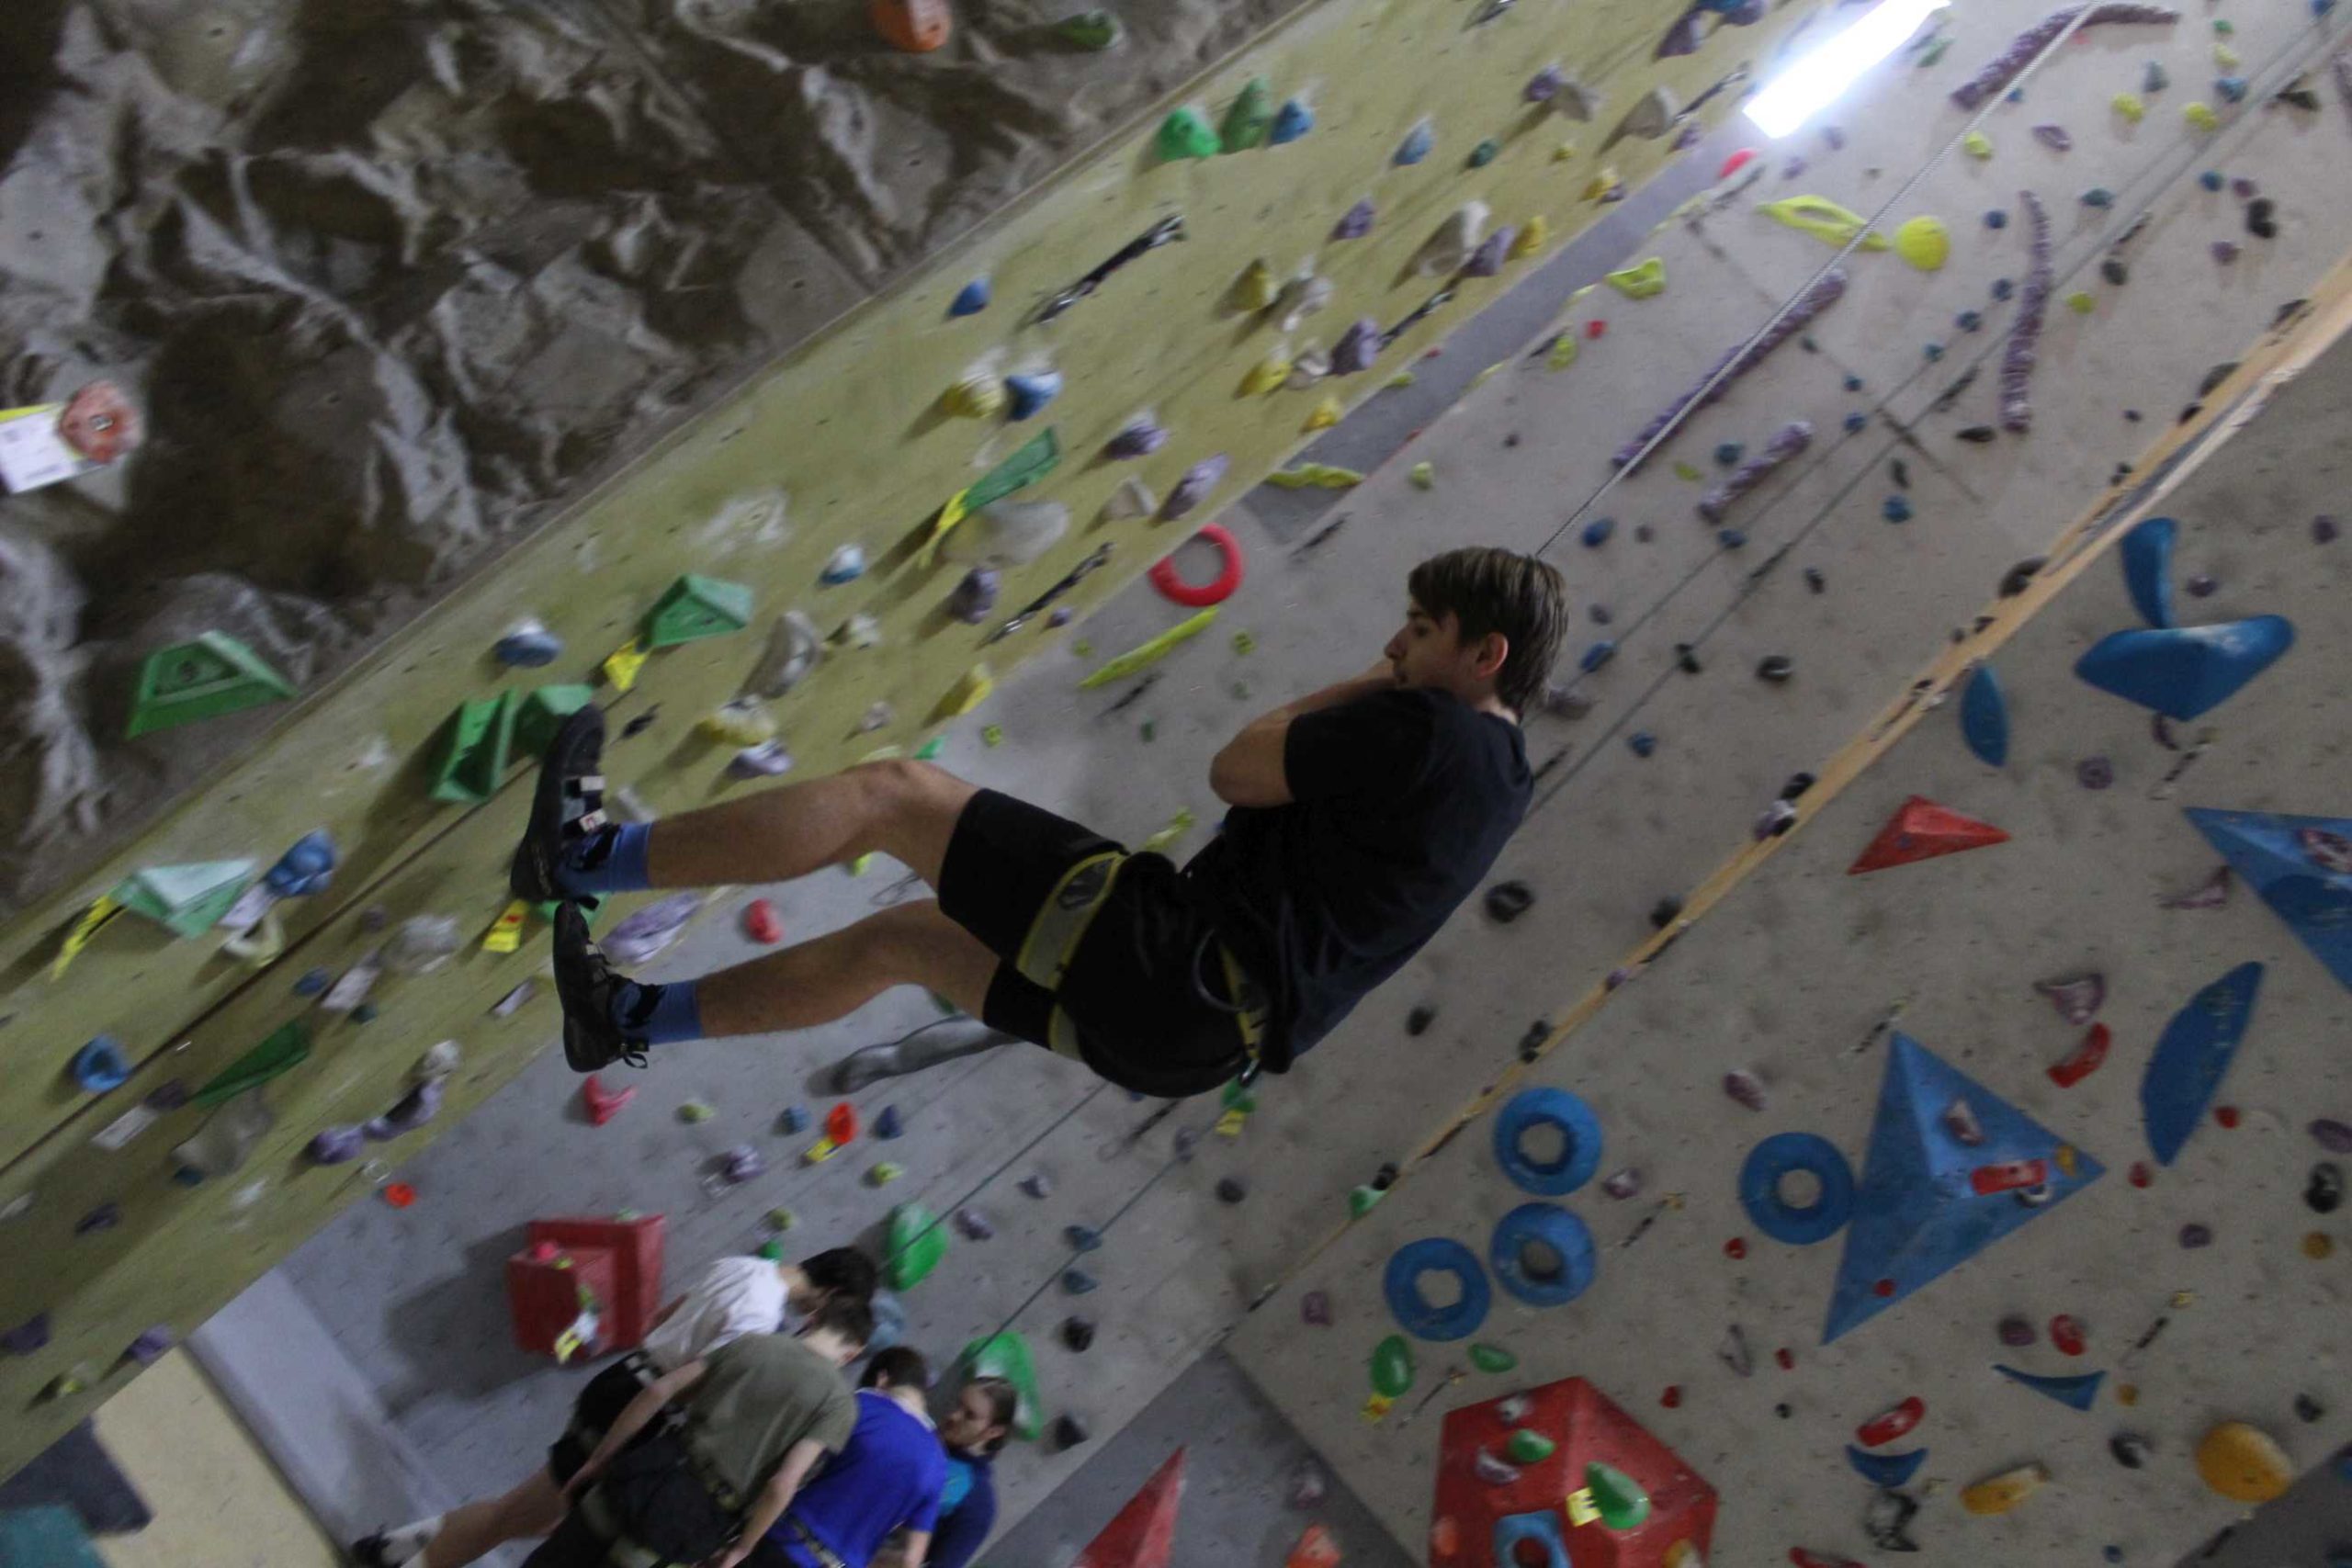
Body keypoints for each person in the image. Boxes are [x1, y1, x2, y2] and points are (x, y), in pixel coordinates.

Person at [512, 546, 1565, 1099]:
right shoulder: (1503, 784)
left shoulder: (1433, 728)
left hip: (1178, 962)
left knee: (895, 796)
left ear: (1486, 657)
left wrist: (1375, 680)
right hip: (1194, 1049)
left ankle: (581, 856)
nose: (1397, 645)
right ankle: (623, 1020)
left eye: (1421, 630)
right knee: (899, 942)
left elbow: (1238, 769)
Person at [352, 1260, 875, 1568]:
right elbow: (696, 1389)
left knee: (538, 1518)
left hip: (628, 1377)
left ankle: (392, 1549)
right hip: (641, 1414)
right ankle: (395, 1557)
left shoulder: (743, 1268)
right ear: (829, 1298)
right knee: (519, 1514)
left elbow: (663, 1317)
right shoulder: (765, 1326)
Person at [520, 1298, 872, 1568]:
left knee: (554, 1558)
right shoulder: (839, 1404)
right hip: (694, 1516)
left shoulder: (754, 1344)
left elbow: (660, 1390)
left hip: (648, 1468)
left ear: (813, 1318)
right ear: (853, 1352)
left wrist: (600, 1457)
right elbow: (783, 1483)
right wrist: (743, 1548)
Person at [749, 1348, 945, 1568]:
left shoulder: (862, 1404)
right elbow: (910, 1559)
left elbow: (788, 1476)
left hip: (787, 1541)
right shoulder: (938, 1463)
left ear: (881, 1379)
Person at [920, 1376, 1016, 1568]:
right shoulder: (921, 1436)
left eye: (970, 1415)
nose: (954, 1416)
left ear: (993, 1431)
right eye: (958, 1404)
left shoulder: (978, 1501)